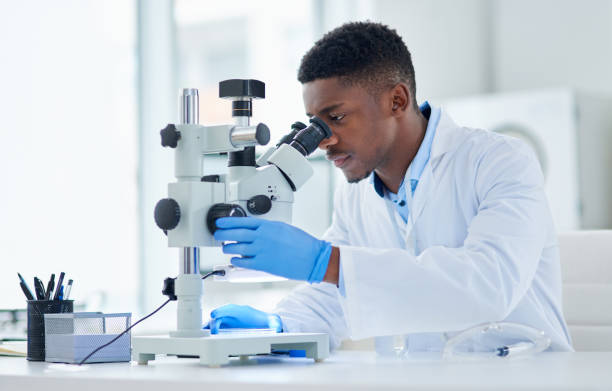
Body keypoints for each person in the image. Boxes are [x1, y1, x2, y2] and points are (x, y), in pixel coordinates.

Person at [207, 21, 572, 353]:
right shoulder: (355, 194)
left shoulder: (500, 161)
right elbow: (336, 296)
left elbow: (489, 284)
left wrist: (326, 261)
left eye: (335, 118)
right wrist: (280, 323)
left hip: (522, 374)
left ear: (396, 100)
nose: (323, 141)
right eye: (314, 125)